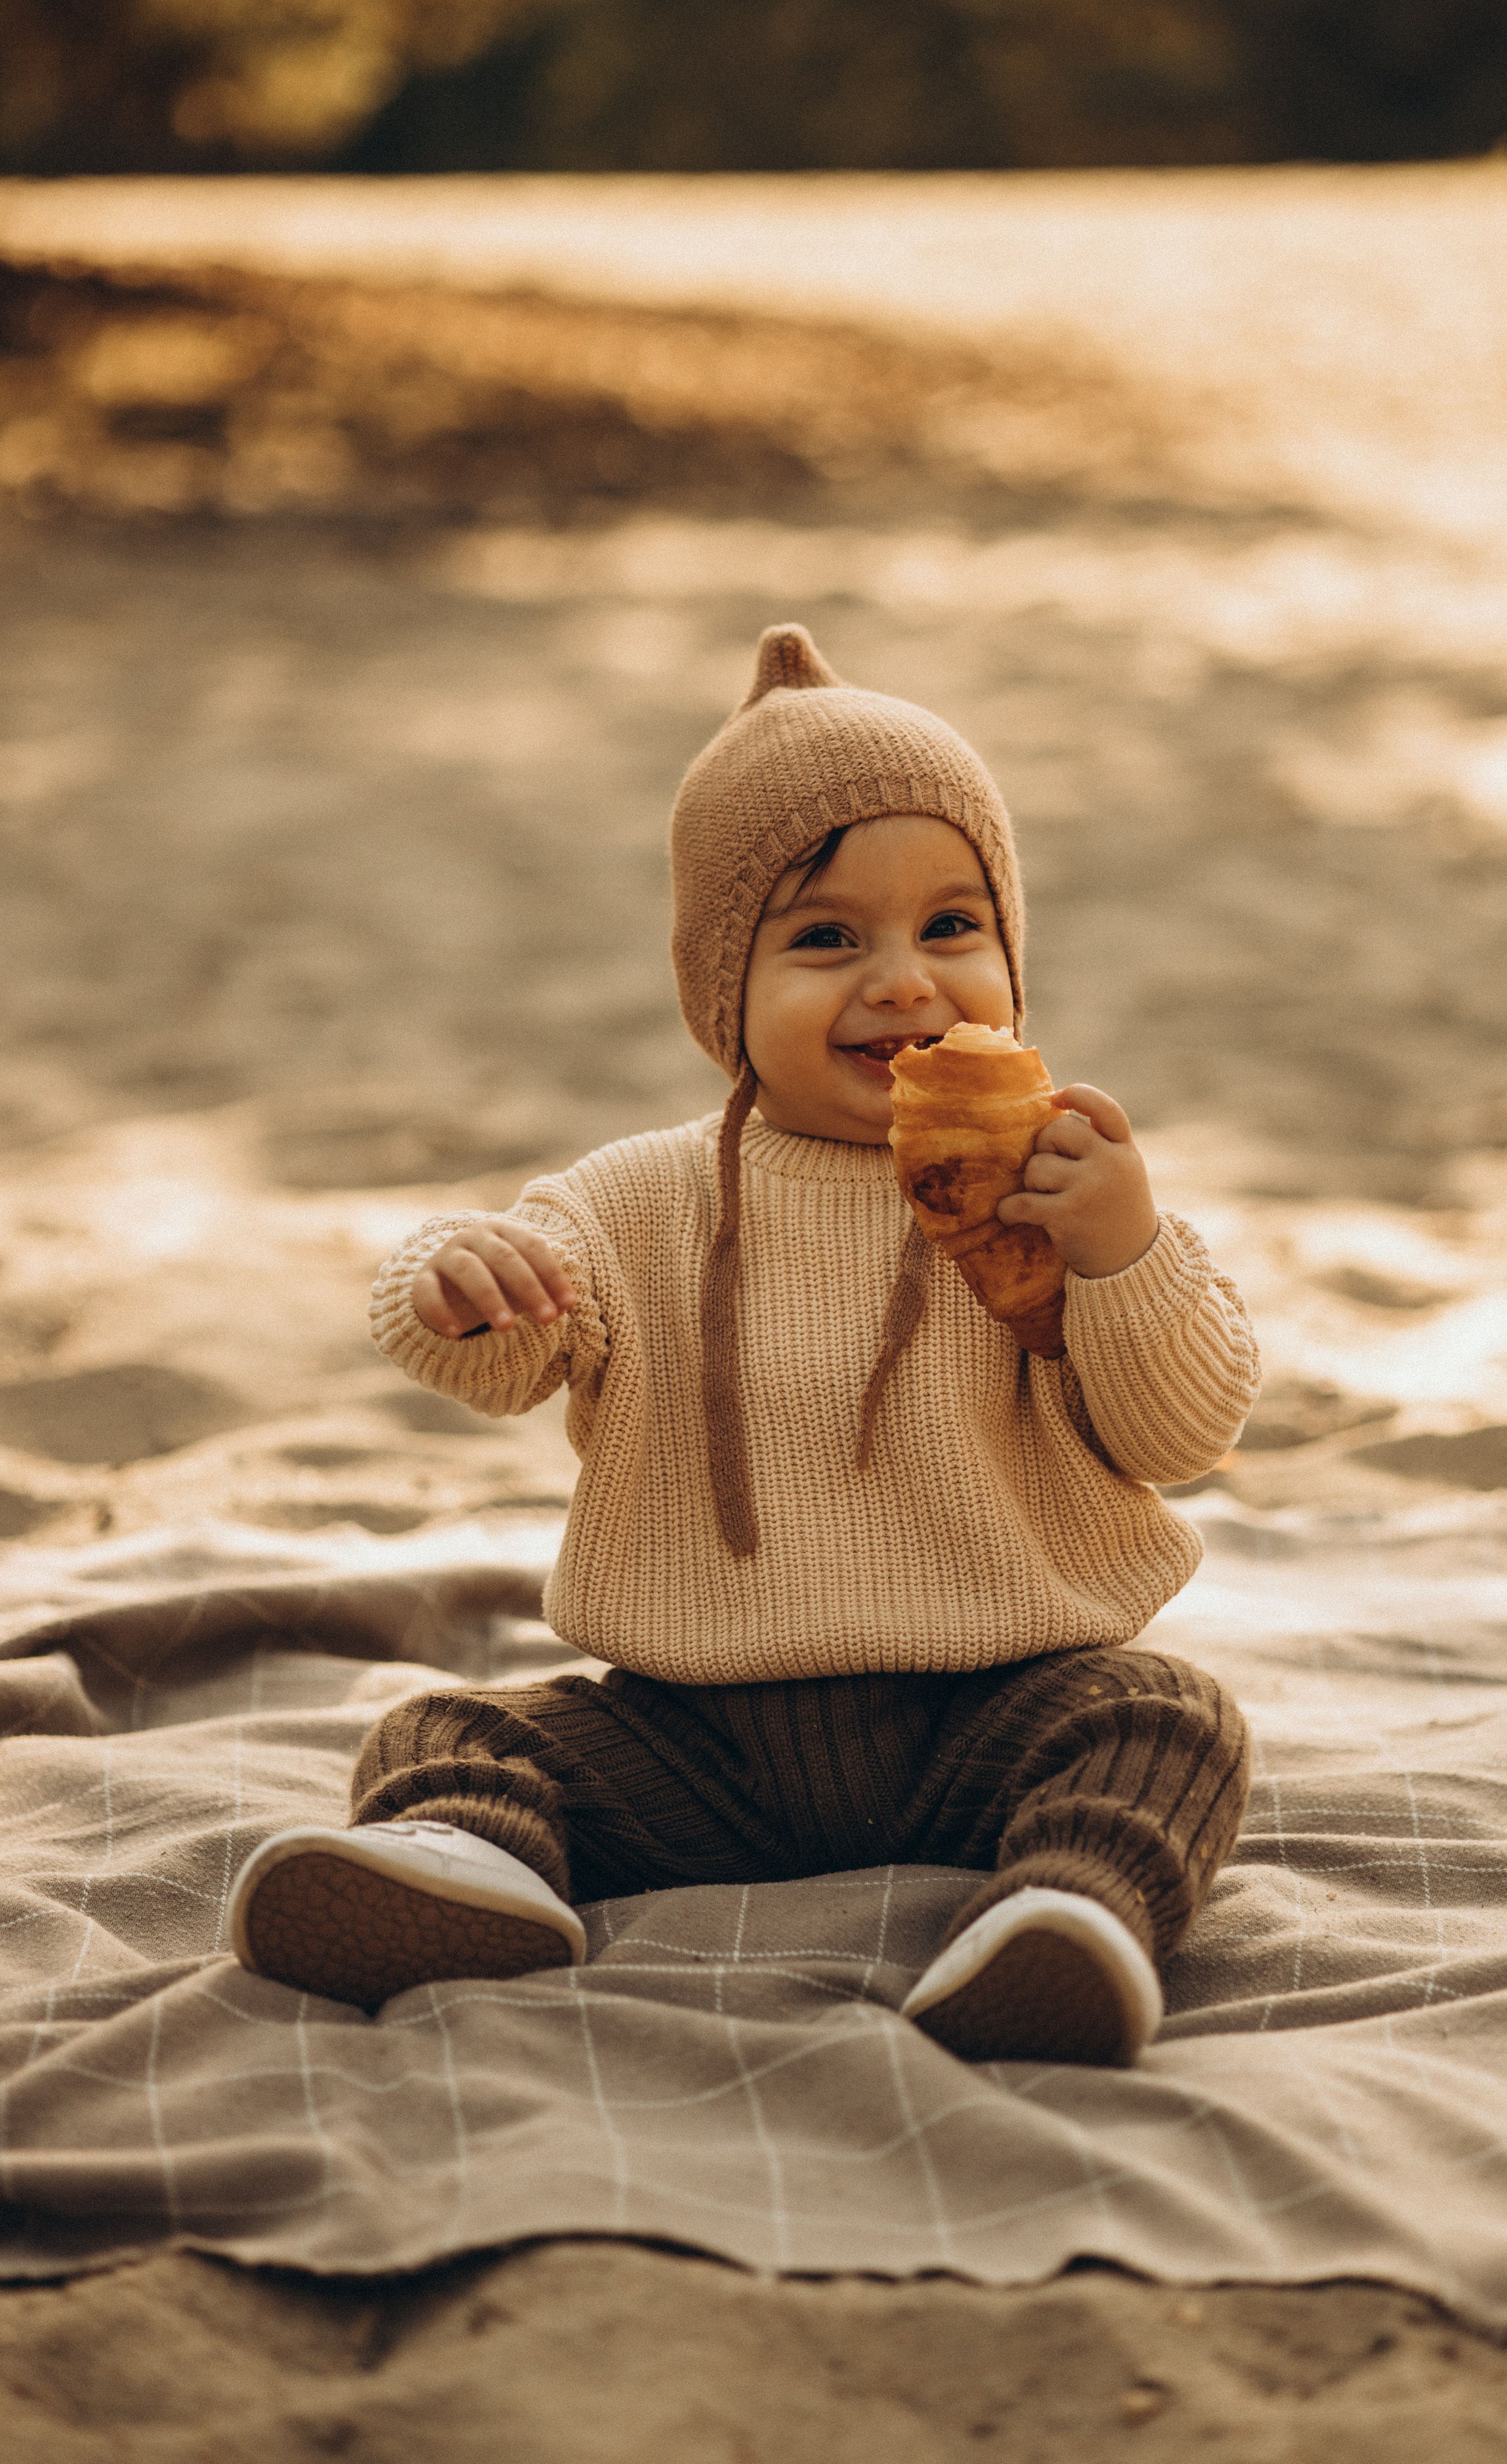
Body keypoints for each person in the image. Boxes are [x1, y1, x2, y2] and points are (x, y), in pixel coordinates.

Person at [230, 624, 1259, 2064]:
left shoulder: (1056, 1186)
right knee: (448, 1736)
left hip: (993, 1706)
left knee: (1167, 1718)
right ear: (726, 991)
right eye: (826, 938)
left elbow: (1180, 1435)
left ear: (1010, 954)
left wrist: (1123, 1255)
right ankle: (476, 1874)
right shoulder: (643, 1196)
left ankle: (1061, 1919)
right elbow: (498, 1356)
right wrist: (457, 1280)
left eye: (951, 928)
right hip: (699, 1738)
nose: (904, 982)